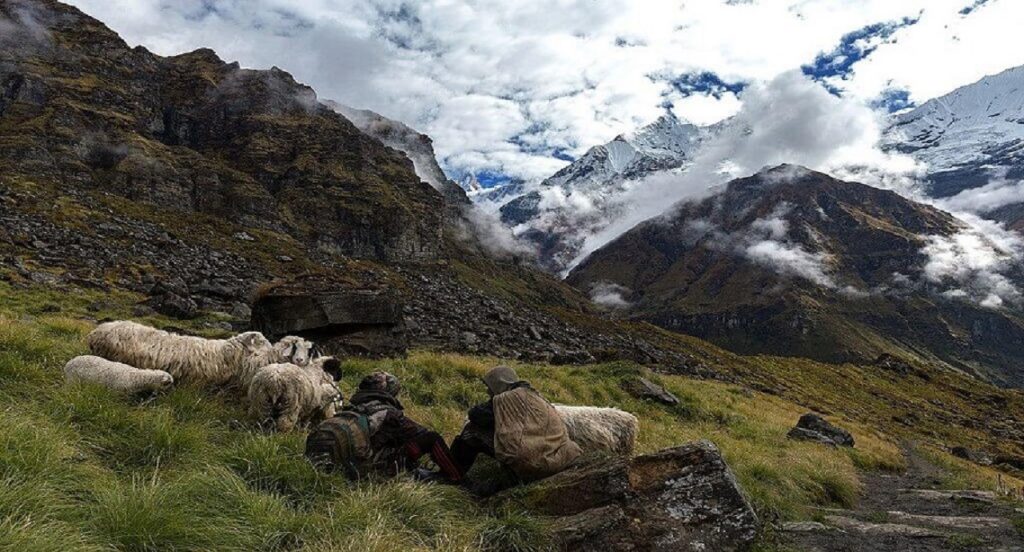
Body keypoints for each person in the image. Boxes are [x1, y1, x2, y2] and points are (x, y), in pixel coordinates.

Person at [306, 371, 462, 483]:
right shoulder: (388, 413)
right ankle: (456, 477)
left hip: (341, 466)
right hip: (368, 469)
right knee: (432, 438)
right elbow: (420, 433)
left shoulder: (351, 409)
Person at [451, 365, 581, 482]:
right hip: (560, 458)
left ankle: (452, 473)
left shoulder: (507, 399)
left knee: (471, 430)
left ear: (498, 383)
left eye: (489, 387)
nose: (487, 392)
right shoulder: (535, 395)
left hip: (533, 464)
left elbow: (475, 415)